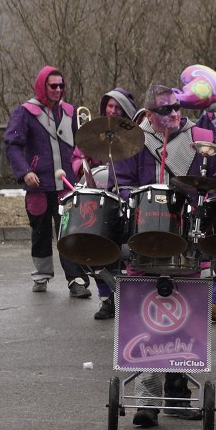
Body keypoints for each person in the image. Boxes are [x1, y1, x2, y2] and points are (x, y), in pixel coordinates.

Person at [114, 84, 216, 427]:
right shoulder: (135, 139)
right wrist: (129, 201)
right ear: (149, 114)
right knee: (143, 315)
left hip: (186, 237)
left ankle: (178, 397)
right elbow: (122, 182)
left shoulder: (202, 137)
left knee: (183, 314)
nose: (174, 115)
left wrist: (212, 206)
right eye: (165, 111)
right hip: (144, 237)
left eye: (177, 108)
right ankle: (148, 401)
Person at [4, 66, 92, 298]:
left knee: (69, 233)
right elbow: (12, 146)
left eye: (61, 85)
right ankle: (41, 274)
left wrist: (80, 166)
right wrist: (24, 172)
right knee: (41, 232)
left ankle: (76, 279)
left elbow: (80, 144)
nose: (58, 90)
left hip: (66, 185)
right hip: (38, 186)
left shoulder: (70, 112)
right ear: (43, 85)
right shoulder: (24, 112)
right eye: (53, 86)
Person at [78, 87, 138, 320]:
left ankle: (127, 297)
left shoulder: (137, 137)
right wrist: (81, 165)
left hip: (131, 198)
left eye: (117, 107)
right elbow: (80, 154)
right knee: (94, 246)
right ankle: (107, 299)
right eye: (109, 106)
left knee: (126, 250)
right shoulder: (98, 133)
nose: (112, 111)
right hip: (107, 197)